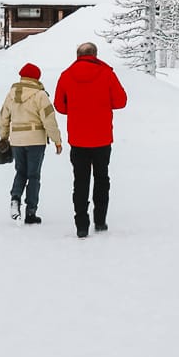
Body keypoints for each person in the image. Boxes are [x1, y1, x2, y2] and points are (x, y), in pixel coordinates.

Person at [53, 39, 128, 236]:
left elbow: (60, 106)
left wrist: (76, 108)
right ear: (95, 55)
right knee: (102, 178)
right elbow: (121, 101)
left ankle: (81, 225)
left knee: (80, 181)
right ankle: (100, 220)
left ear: (78, 56)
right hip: (102, 138)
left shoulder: (66, 75)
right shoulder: (106, 74)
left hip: (78, 139)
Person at [0, 60, 62, 224]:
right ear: (37, 78)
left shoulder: (11, 94)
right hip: (35, 141)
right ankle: (31, 213)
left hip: (17, 140)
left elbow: (3, 117)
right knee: (33, 176)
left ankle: (15, 199)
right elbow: (49, 120)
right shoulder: (40, 95)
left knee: (20, 172)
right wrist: (57, 140)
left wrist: (4, 138)